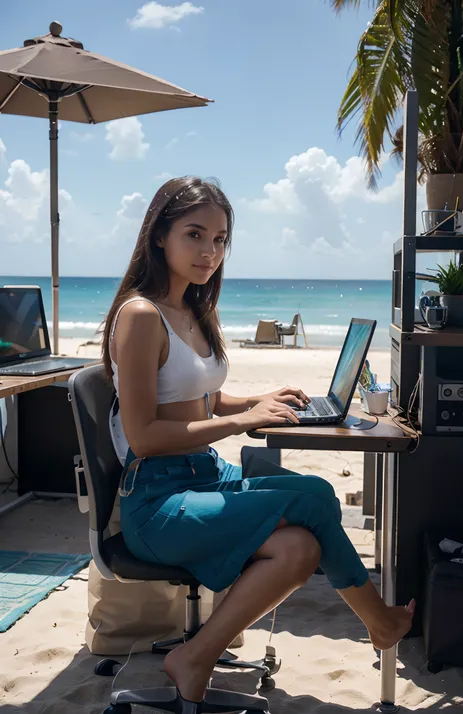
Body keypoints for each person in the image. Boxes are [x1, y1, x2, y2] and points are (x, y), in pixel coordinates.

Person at [102, 176, 415, 709]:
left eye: (221, 240)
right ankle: (380, 623)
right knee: (315, 495)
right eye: (195, 235)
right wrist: (245, 422)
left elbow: (202, 400)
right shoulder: (140, 316)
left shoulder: (194, 310)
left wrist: (256, 401)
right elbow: (145, 436)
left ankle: (195, 657)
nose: (209, 252)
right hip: (156, 503)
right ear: (160, 235)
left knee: (302, 546)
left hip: (202, 476)